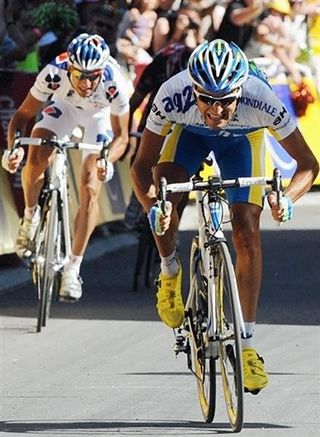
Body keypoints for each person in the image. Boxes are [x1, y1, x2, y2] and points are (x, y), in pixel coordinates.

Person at [131, 39, 319, 394]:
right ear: (193, 89)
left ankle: (247, 347)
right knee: (168, 193)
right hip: (188, 136)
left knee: (247, 232)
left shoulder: (260, 97)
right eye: (207, 100)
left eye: (226, 101)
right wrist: (153, 205)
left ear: (241, 91)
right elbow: (141, 165)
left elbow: (308, 164)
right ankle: (170, 270)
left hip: (243, 141)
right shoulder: (172, 94)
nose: (216, 111)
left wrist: (288, 198)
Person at [1, 33, 130, 302]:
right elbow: (23, 115)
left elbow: (122, 137)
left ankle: (73, 267)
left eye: (92, 76)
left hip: (98, 118)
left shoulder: (114, 83)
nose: (86, 82)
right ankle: (30, 215)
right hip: (65, 109)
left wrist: (107, 160)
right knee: (38, 145)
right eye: (79, 75)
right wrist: (14, 148)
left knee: (90, 186)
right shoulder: (54, 72)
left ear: (102, 71)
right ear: (69, 67)